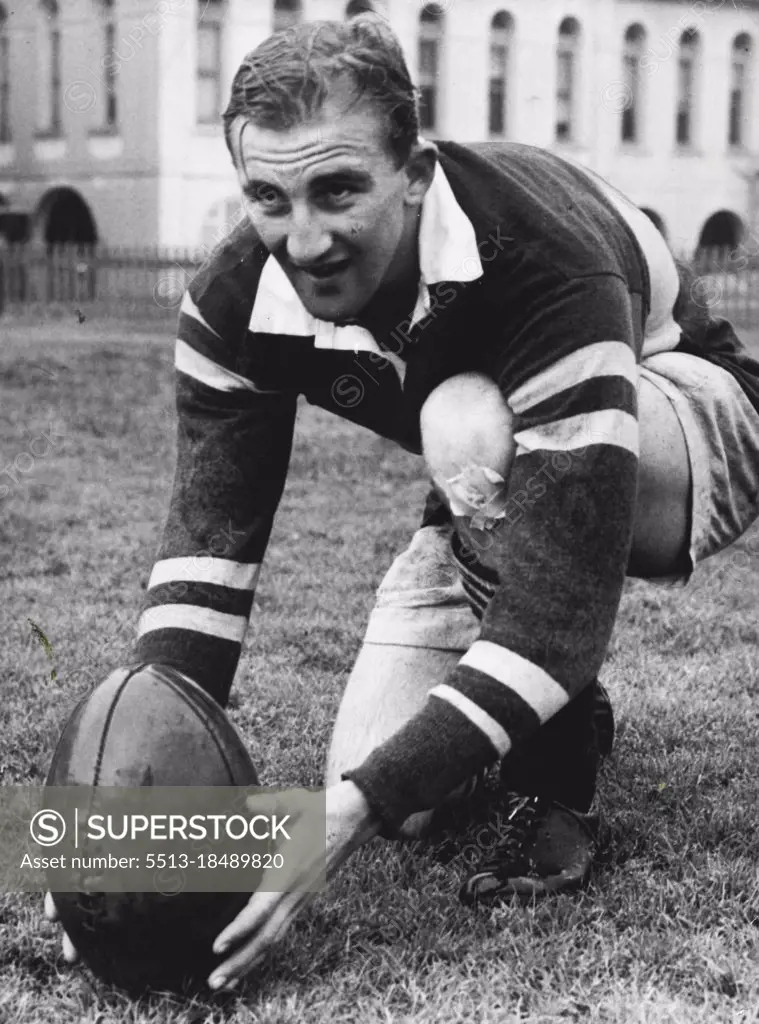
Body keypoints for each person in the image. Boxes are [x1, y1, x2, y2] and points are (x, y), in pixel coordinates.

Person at [45, 15, 759, 993]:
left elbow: (557, 609)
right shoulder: (233, 297)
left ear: (415, 172)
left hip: (686, 406)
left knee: (468, 435)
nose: (305, 239)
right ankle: (532, 701)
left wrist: (342, 819)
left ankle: (555, 779)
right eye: (269, 196)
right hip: (491, 470)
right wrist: (126, 806)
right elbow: (211, 548)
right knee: (397, 787)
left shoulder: (538, 259)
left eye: (339, 189)